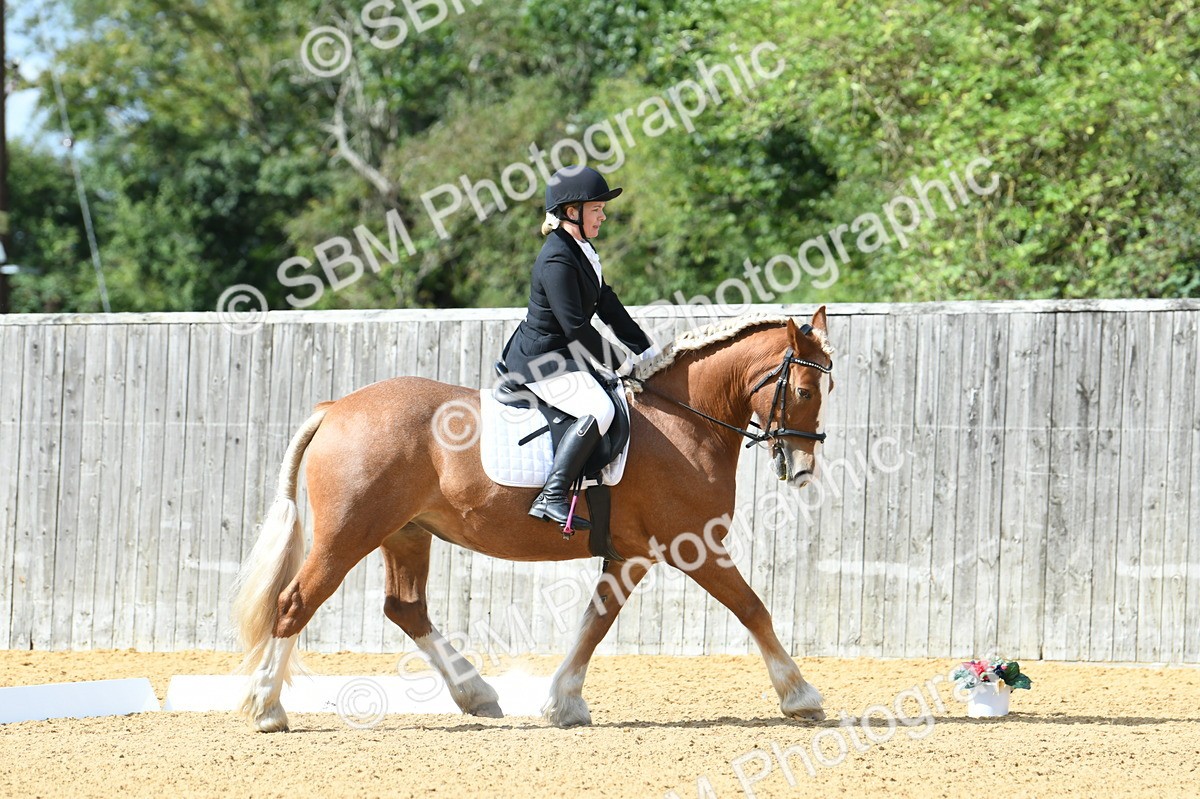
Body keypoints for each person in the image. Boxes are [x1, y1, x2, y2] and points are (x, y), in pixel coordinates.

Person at [500, 165, 658, 531]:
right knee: (599, 408)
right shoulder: (557, 257)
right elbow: (575, 327)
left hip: (563, 357)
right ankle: (551, 495)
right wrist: (621, 364)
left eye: (602, 209)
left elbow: (609, 306)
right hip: (539, 361)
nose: (603, 215)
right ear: (572, 212)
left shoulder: (582, 249)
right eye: (597, 209)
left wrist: (646, 352)